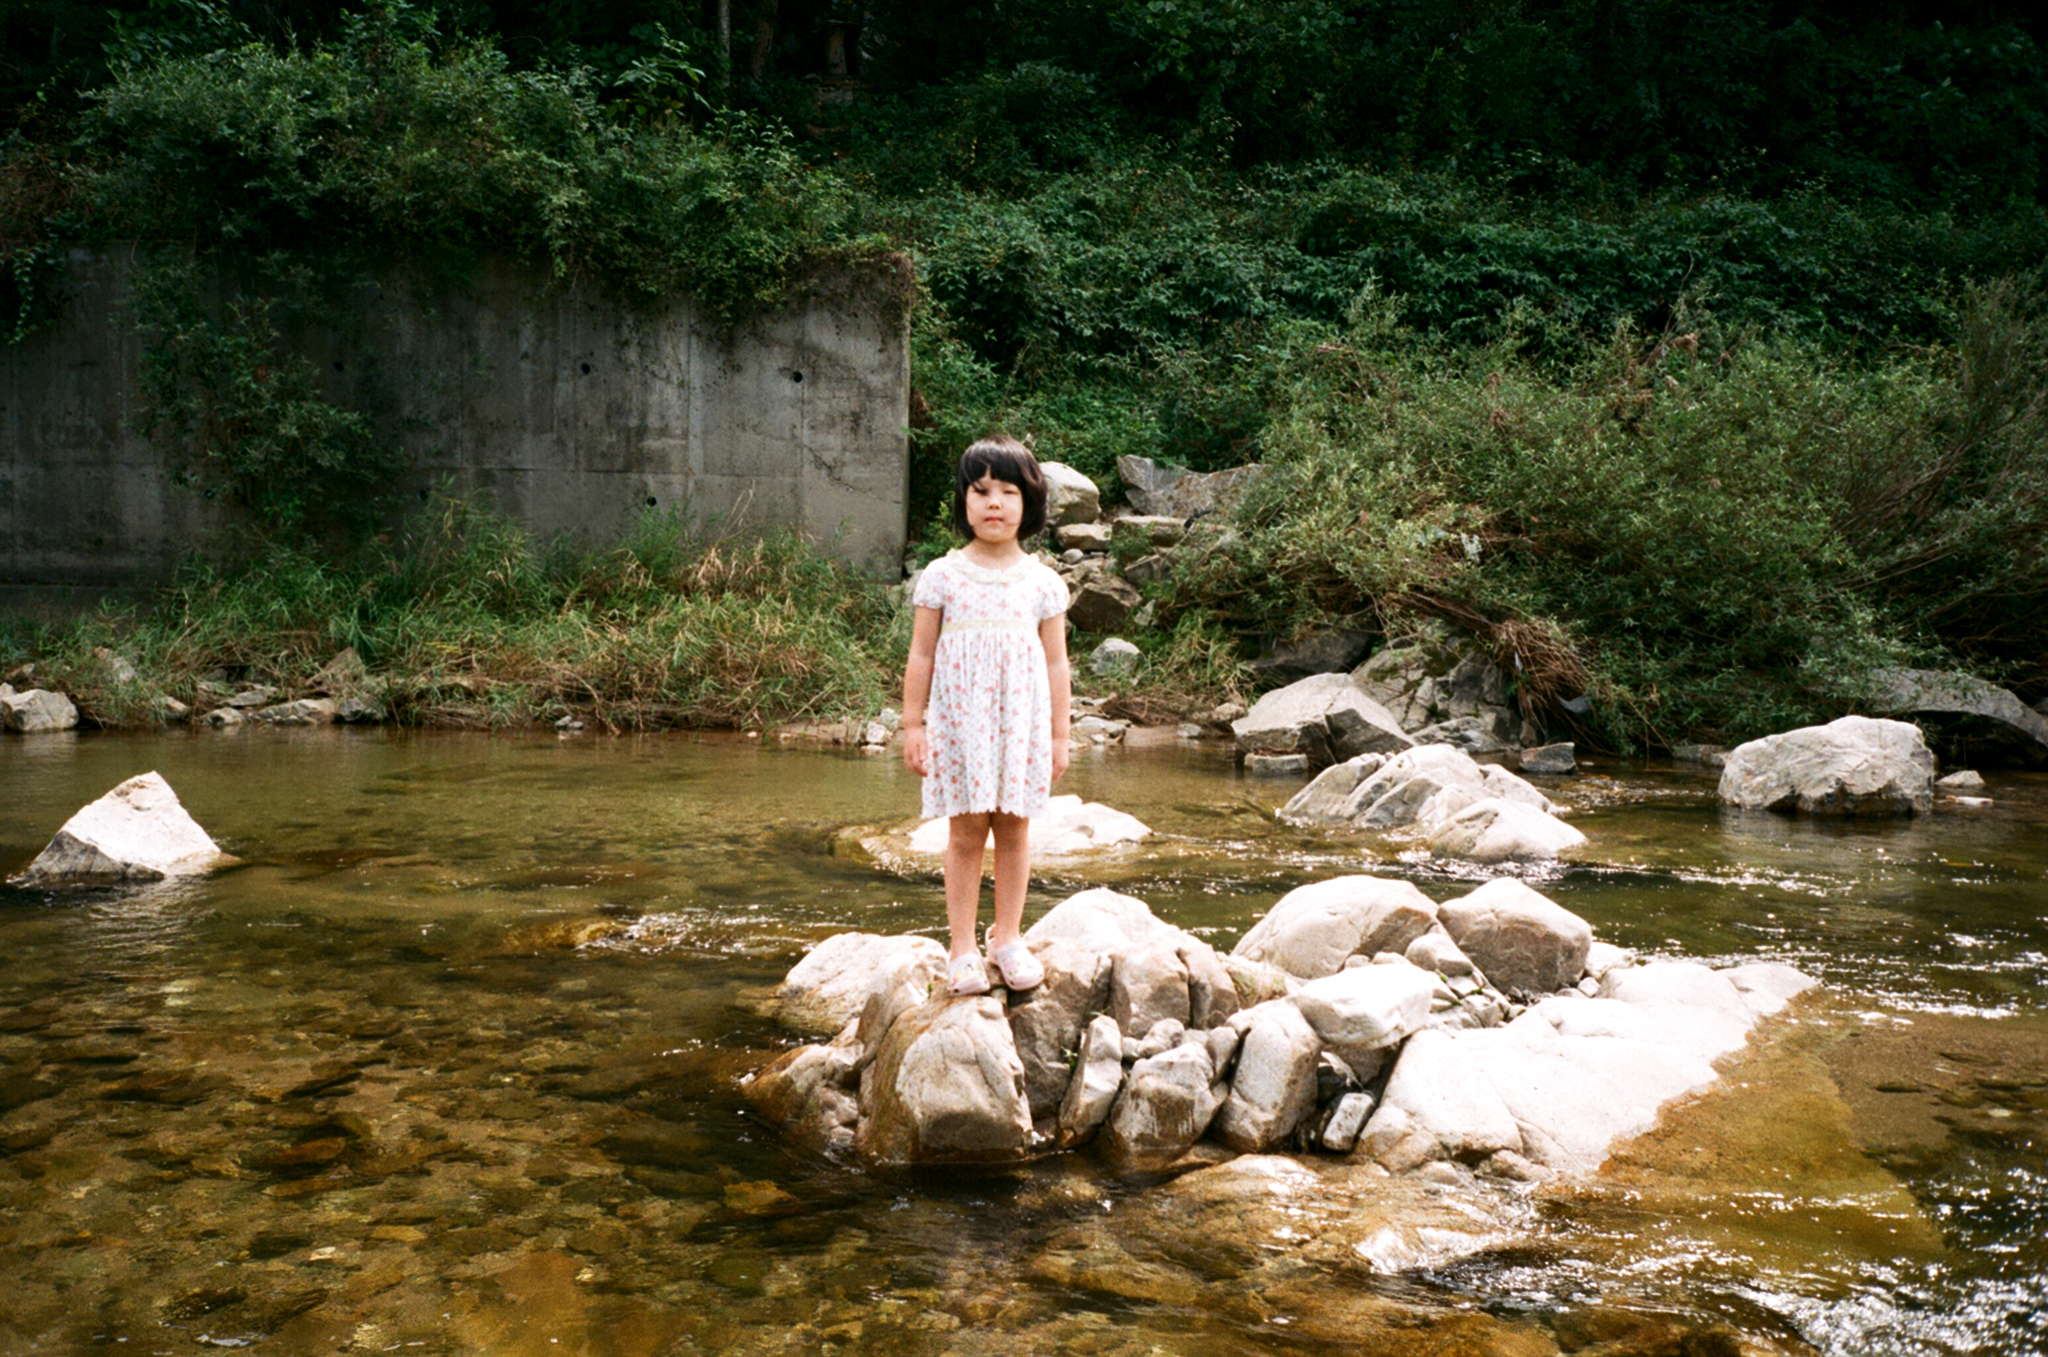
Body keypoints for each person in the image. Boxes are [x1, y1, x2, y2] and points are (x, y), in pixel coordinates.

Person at [901, 435, 1073, 996]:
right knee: (967, 833)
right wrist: (912, 725)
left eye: (1007, 491)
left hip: (1020, 726)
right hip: (962, 726)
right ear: (964, 501)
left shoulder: (1043, 583)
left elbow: (1055, 666)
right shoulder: (943, 575)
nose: (994, 503)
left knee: (1015, 831)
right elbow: (922, 654)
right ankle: (962, 948)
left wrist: (1059, 738)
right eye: (981, 491)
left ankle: (1008, 937)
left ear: (1030, 504)